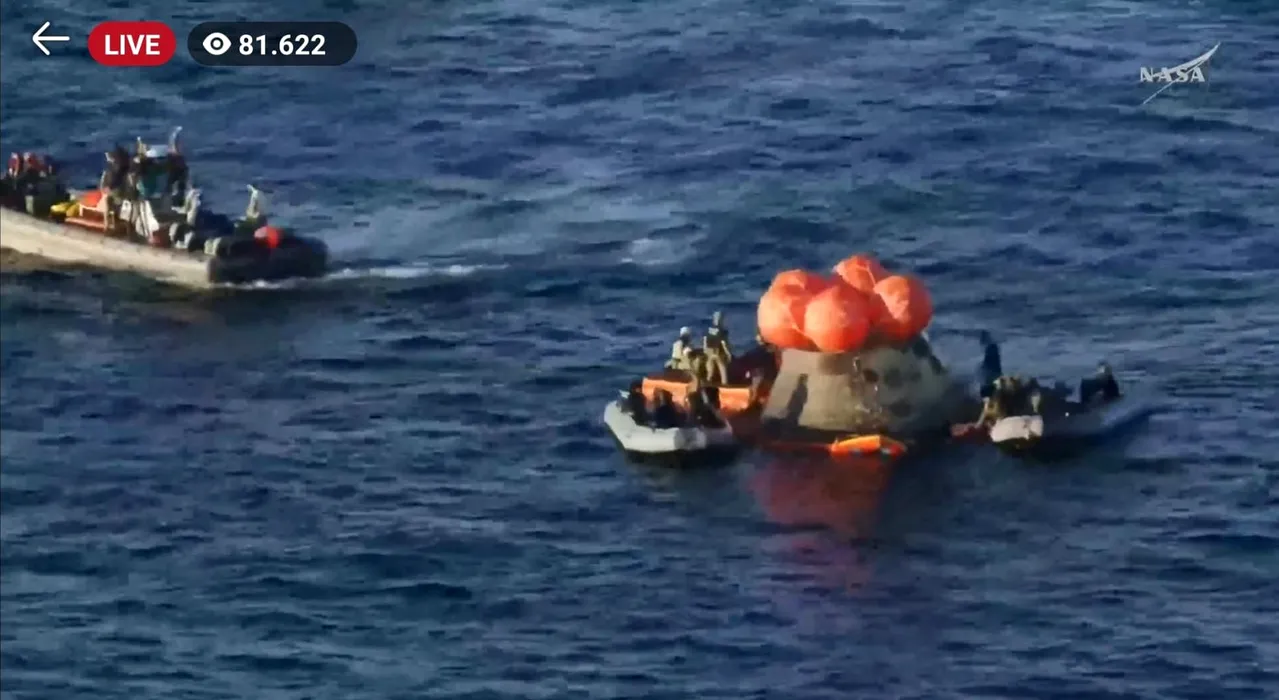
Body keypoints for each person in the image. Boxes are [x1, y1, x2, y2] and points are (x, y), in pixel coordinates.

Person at [702, 310, 733, 385]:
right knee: (723, 370)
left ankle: (707, 384)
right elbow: (723, 343)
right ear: (721, 320)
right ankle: (724, 385)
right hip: (717, 351)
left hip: (709, 351)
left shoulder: (708, 328)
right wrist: (728, 353)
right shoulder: (722, 331)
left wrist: (704, 349)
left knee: (710, 371)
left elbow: (705, 339)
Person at [978, 331, 1002, 397]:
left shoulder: (991, 348)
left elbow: (988, 362)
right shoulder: (992, 347)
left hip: (993, 373)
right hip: (994, 373)